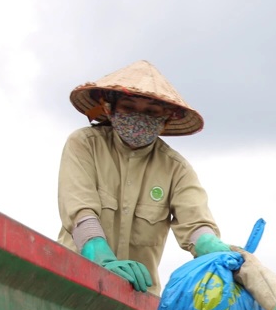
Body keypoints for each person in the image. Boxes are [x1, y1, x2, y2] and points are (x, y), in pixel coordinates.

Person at [57, 60, 231, 294]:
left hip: (137, 295)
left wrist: (213, 247)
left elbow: (195, 224)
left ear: (165, 119)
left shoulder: (176, 169)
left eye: (151, 112)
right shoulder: (84, 144)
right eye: (129, 107)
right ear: (110, 109)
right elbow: (80, 210)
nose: (139, 117)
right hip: (74, 280)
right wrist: (97, 252)